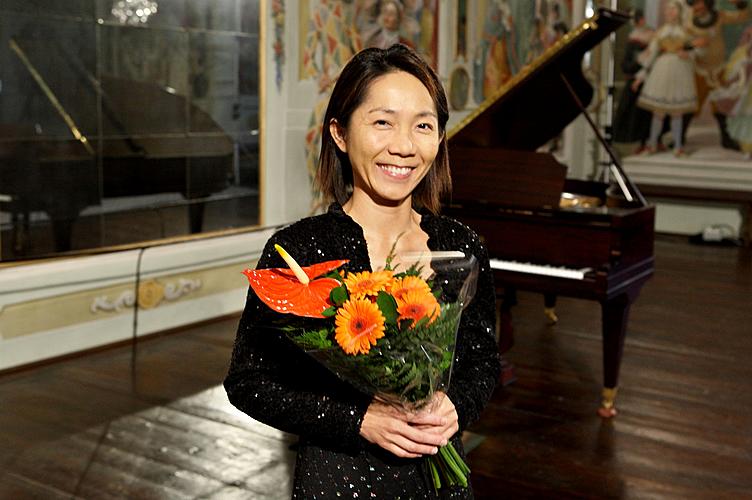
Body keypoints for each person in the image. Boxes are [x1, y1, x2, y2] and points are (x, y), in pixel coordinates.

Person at [224, 44, 501, 498]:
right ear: (339, 132)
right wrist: (360, 420)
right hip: (340, 476)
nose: (405, 146)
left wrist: (456, 406)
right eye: (382, 122)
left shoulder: (461, 245)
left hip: (440, 478)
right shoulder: (300, 250)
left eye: (424, 125)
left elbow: (483, 361)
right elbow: (248, 383)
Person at [634, 0, 698, 156]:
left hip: (679, 70)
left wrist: (687, 54)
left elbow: (695, 53)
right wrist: (640, 77)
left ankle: (678, 146)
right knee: (658, 112)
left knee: (677, 112)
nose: (671, 13)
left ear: (680, 12)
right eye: (669, 10)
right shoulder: (660, 32)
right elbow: (651, 54)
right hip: (662, 70)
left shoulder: (685, 32)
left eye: (674, 10)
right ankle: (652, 144)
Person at [684, 0, 749, 150]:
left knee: (721, 106)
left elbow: (742, 16)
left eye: (699, 3)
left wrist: (740, 3)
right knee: (691, 105)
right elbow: (682, 40)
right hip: (699, 70)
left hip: (718, 70)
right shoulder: (689, 21)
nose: (696, 8)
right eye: (694, 5)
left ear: (707, 4)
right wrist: (693, 44)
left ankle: (727, 140)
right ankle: (680, 138)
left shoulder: (719, 16)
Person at [612, 8, 656, 152]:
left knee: (646, 115)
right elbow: (627, 65)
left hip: (647, 80)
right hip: (635, 78)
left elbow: (651, 60)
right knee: (631, 114)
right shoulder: (634, 39)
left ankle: (646, 142)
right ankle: (631, 143)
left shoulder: (652, 36)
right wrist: (637, 63)